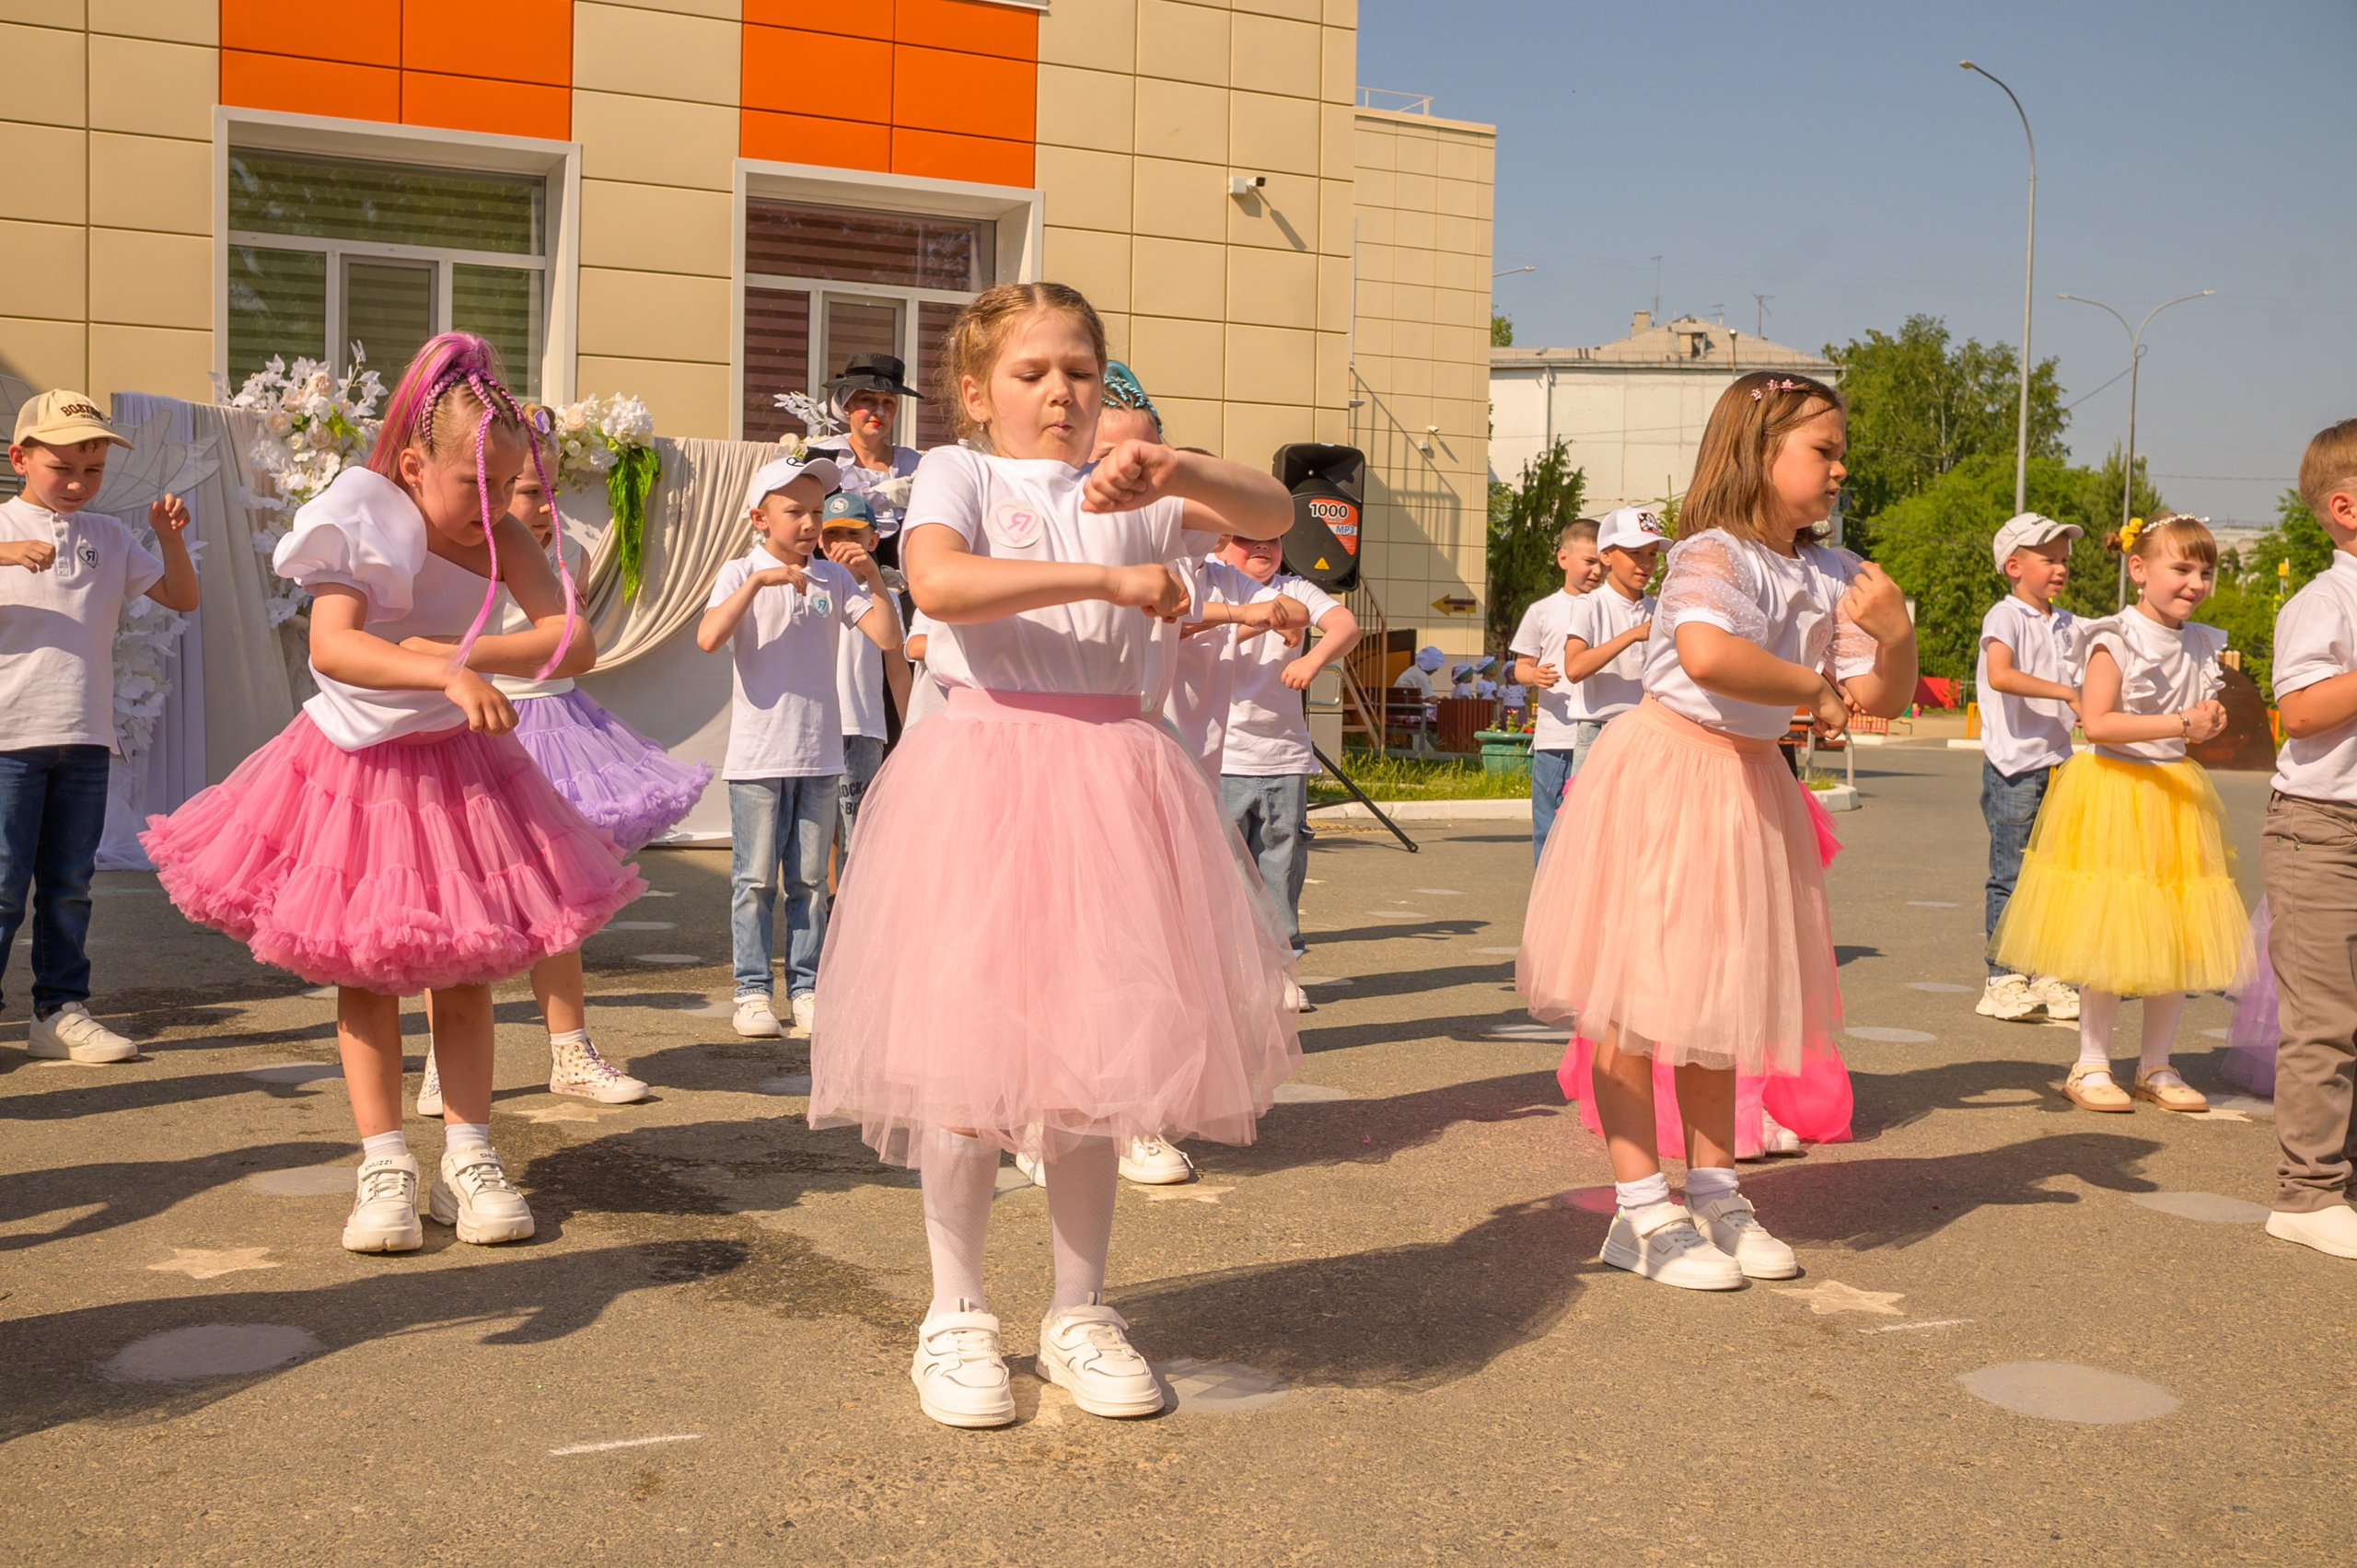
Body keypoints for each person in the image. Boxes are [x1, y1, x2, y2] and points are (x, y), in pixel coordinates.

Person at [808, 281, 1300, 1429]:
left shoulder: (1136, 484)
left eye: (1078, 370)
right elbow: (937, 581)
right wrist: (1104, 576)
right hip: (984, 774)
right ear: (978, 395)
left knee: (1092, 1072)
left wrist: (1170, 469)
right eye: (1030, 373)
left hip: (1113, 781)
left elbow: (1273, 507)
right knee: (967, 1066)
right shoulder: (961, 474)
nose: (1059, 393)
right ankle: (957, 1310)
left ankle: (1078, 1308)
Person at [141, 332, 635, 1253]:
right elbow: (333, 644)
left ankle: (470, 1153)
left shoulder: (501, 531)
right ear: (413, 463)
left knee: (465, 967)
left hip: (457, 770)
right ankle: (383, 1161)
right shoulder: (364, 509)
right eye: (470, 490)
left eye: (506, 491)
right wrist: (443, 673)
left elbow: (573, 641)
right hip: (353, 771)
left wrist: (457, 658)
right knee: (367, 971)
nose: (489, 515)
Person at [1519, 371, 1917, 1291]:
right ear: (1757, 451)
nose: (1839, 466)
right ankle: (1641, 1209)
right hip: (1667, 776)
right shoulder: (1712, 554)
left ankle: (1715, 1187)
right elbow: (1705, 653)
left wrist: (1891, 638)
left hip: (1748, 788)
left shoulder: (1832, 570)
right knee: (1632, 1003)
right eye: (1821, 449)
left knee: (1713, 1004)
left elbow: (1879, 699)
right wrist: (1811, 687)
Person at [414, 440, 714, 1112]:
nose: (542, 510)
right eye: (526, 493)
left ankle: (569, 1050)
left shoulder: (564, 556)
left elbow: (570, 647)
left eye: (550, 494)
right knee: (469, 897)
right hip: (490, 723)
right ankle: (443, 1056)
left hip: (564, 725)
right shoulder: (463, 553)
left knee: (562, 899)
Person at [1991, 513, 2243, 1115]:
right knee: (2110, 929)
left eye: (2205, 571)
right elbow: (2098, 721)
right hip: (2114, 789)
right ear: (2139, 568)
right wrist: (2182, 723)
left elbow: (2187, 724)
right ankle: (2091, 1061)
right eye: (2181, 568)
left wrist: (2207, 726)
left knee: (2175, 931)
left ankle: (2156, 1061)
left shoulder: (2202, 640)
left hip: (2175, 792)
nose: (2195, 582)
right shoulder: (2115, 636)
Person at [2, 392, 199, 1063]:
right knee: (2, 884)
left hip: (84, 736)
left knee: (70, 884)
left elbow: (182, 596)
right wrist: (4, 554)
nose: (80, 483)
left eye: (94, 469)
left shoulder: (111, 537)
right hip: (7, 739)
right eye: (63, 467)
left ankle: (59, 1012)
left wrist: (169, 538)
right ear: (20, 457)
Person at [698, 452, 903, 1041]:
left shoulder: (834, 578)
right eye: (796, 512)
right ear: (759, 518)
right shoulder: (739, 573)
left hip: (820, 756)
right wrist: (761, 581)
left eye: (817, 512)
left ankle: (807, 988)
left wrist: (868, 578)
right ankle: (753, 991)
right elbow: (709, 637)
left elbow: (887, 637)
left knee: (811, 881)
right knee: (755, 880)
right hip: (759, 757)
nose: (811, 524)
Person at [2254, 418, 2357, 1259]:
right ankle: (2309, 1189)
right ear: (2345, 506)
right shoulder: (2323, 600)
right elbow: (2303, 710)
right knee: (2325, 1019)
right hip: (2323, 831)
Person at [1215, 534, 1360, 958]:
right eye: (1248, 539)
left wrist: (1312, 660)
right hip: (1220, 756)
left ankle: (1282, 965)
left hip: (1283, 755)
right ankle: (1230, 969)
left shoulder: (1293, 587)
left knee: (1281, 867)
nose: (1262, 546)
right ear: (1222, 544)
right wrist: (1261, 620)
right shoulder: (1212, 583)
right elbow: (1192, 637)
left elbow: (1346, 625)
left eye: (1272, 539)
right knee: (1223, 871)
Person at [1975, 513, 2085, 1024]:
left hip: (2060, 765)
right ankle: (2003, 977)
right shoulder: (2006, 615)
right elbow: (2000, 674)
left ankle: (2048, 974)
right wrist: (2066, 692)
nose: (2060, 569)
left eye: (2064, 560)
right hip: (2015, 766)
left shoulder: (2066, 624)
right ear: (2014, 565)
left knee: (2054, 877)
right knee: (2012, 875)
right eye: (2049, 559)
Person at [1508, 518, 1608, 863]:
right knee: (1548, 827)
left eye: (1602, 562)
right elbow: (1520, 667)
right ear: (1563, 558)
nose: (1596, 571)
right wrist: (1534, 675)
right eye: (1589, 561)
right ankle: (1545, 904)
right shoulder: (1542, 611)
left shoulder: (1613, 607)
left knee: (1595, 829)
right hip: (1556, 737)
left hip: (1602, 734)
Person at [821, 491, 911, 863]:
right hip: (815, 726)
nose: (842, 545)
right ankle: (829, 900)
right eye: (833, 535)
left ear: (873, 540)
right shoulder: (809, 584)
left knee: (857, 828)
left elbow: (896, 664)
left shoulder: (884, 597)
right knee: (819, 828)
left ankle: (848, 907)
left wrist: (911, 731)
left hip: (862, 728)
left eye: (853, 535)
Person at [807, 353, 923, 570]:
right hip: (835, 581)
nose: (879, 411)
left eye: (888, 402)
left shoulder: (913, 464)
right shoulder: (823, 458)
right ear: (847, 406)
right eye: (868, 400)